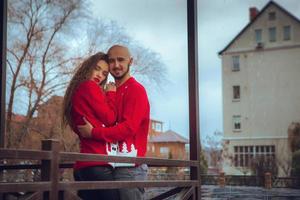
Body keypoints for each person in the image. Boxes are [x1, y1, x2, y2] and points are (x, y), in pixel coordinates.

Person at [78, 45, 150, 200]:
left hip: (130, 168)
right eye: (111, 61)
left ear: (131, 61)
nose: (116, 65)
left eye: (121, 60)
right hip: (111, 165)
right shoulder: (111, 92)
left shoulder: (136, 90)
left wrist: (93, 133)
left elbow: (128, 128)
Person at [62, 52, 119, 200]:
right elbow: (110, 118)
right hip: (96, 165)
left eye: (104, 73)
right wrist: (111, 94)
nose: (100, 75)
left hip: (83, 167)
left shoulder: (77, 91)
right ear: (88, 68)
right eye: (97, 68)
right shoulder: (89, 86)